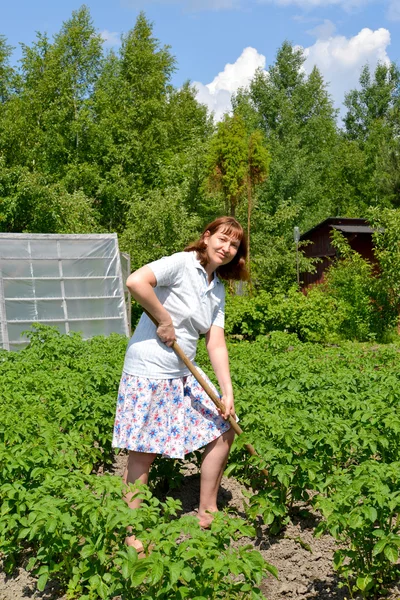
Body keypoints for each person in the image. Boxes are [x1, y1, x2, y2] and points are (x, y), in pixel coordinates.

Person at [112, 216, 248, 552]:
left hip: (183, 372)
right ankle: (132, 531)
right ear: (206, 237)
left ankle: (207, 510)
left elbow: (215, 342)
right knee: (144, 452)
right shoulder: (181, 264)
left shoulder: (216, 288)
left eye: (234, 245)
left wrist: (227, 391)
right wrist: (164, 318)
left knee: (225, 426)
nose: (227, 248)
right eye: (222, 239)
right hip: (151, 370)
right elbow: (135, 282)